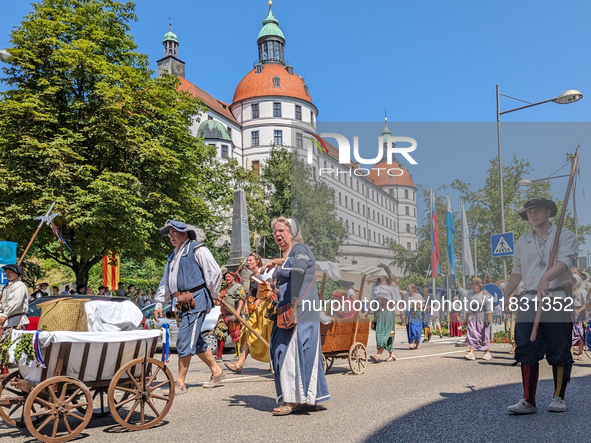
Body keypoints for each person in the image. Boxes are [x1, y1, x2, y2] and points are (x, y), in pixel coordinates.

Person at [504, 198, 578, 414]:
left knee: (560, 347)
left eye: (536, 211)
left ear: (548, 212)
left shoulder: (564, 235)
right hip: (528, 299)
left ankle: (558, 397)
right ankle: (528, 400)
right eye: (529, 213)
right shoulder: (523, 241)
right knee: (526, 348)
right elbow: (517, 270)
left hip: (556, 298)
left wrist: (547, 277)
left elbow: (566, 260)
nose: (532, 215)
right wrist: (507, 294)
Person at [262, 217, 329, 415]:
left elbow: (299, 268)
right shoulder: (289, 253)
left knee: (287, 352)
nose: (277, 235)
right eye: (275, 232)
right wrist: (272, 287)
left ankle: (292, 400)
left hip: (299, 313)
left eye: (281, 230)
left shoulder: (301, 249)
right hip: (288, 311)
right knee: (301, 353)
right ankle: (310, 398)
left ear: (292, 232)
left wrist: (276, 262)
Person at [154, 220, 225, 394]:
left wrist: (214, 294)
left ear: (185, 234)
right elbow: (166, 282)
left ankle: (180, 382)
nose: (171, 236)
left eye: (174, 232)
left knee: (185, 339)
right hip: (181, 303)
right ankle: (217, 371)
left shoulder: (196, 249)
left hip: (196, 301)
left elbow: (214, 272)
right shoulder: (172, 256)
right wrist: (158, 303)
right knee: (196, 340)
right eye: (169, 233)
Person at [225, 253, 275, 373]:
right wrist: (247, 305)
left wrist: (259, 300)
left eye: (250, 260)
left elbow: (271, 291)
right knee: (248, 332)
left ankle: (273, 363)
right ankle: (239, 364)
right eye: (247, 260)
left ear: (257, 262)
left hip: (265, 309)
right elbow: (249, 294)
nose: (248, 262)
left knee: (268, 335)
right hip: (255, 310)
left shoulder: (265, 274)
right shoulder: (252, 276)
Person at [214, 271, 246, 358]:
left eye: (229, 276)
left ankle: (238, 354)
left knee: (236, 335)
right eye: (226, 277)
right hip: (224, 315)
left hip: (234, 314)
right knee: (219, 334)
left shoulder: (238, 287)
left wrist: (238, 312)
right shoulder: (224, 288)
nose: (227, 278)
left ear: (233, 277)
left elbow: (242, 299)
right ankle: (219, 355)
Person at [462, 278, 493, 361]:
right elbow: (468, 307)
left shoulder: (485, 294)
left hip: (482, 315)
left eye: (476, 284)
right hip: (473, 316)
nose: (475, 286)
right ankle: (471, 353)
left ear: (480, 286)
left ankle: (487, 352)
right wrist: (466, 319)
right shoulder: (470, 295)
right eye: (473, 284)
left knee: (483, 334)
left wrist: (489, 316)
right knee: (471, 333)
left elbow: (489, 306)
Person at [369, 276, 398, 362]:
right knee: (383, 333)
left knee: (384, 332)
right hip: (378, 312)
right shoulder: (375, 285)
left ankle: (378, 355)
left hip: (388, 311)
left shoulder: (392, 284)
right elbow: (372, 300)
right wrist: (367, 312)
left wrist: (402, 312)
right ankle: (392, 354)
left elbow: (397, 299)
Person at [0, 265, 29, 333]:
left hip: (17, 320)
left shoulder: (19, 285)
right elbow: (2, 303)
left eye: (11, 271)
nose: (8, 273)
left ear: (17, 274)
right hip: (8, 320)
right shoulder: (7, 287)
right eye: (7, 271)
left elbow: (15, 302)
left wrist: (5, 314)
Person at [571, 274, 586, 361]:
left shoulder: (582, 292)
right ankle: (571, 351)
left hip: (580, 316)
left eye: (574, 281)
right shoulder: (569, 293)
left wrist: (579, 310)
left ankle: (581, 352)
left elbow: (586, 304)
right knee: (571, 334)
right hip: (571, 315)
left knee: (580, 335)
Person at [405, 284, 424, 349]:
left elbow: (423, 304)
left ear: (413, 289)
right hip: (410, 313)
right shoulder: (407, 296)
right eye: (407, 288)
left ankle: (415, 343)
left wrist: (418, 306)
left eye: (409, 288)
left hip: (416, 314)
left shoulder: (418, 296)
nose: (408, 289)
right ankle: (413, 343)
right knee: (410, 328)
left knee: (416, 328)